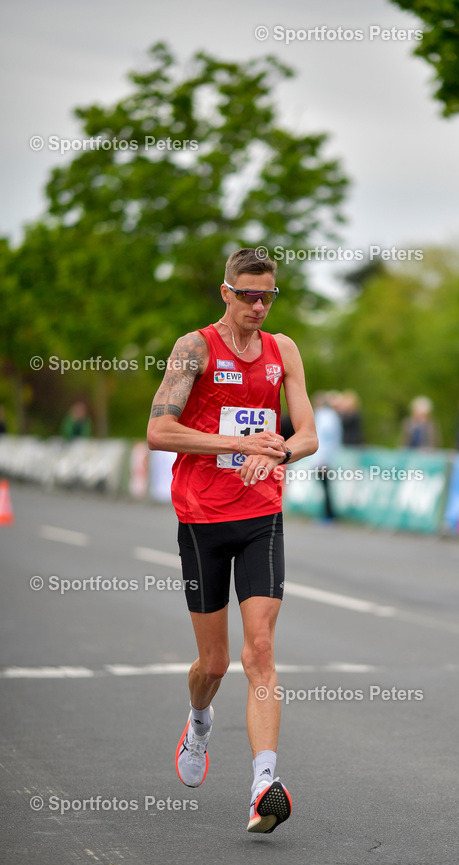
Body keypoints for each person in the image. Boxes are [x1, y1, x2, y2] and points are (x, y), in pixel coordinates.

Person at [147, 248, 318, 834]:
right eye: (246, 294)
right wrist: (238, 446)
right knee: (215, 663)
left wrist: (278, 450)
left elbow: (309, 434)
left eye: (266, 295)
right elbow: (158, 430)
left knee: (260, 651)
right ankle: (198, 721)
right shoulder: (194, 347)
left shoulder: (283, 350)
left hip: (260, 513)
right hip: (200, 518)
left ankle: (264, 784)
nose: (257, 305)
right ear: (225, 292)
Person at [311, 391, 343, 521]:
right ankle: (328, 513)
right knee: (326, 487)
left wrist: (320, 458)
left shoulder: (322, 416)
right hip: (327, 456)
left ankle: (329, 514)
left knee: (326, 487)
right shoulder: (332, 416)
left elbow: (322, 437)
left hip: (322, 457)